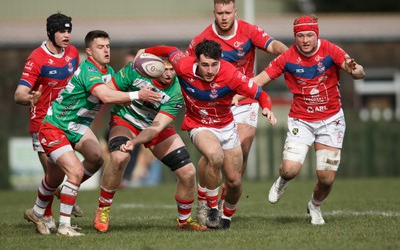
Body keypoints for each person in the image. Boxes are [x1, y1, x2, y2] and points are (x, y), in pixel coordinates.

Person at [23, 30, 159, 237]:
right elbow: (104, 95)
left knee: (95, 159)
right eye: (100, 47)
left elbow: (119, 91)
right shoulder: (89, 70)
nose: (106, 50)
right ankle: (64, 226)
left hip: (76, 127)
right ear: (89, 51)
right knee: (74, 172)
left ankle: (38, 210)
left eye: (108, 46)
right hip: (55, 127)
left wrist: (143, 81)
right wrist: (137, 94)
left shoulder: (109, 71)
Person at [134, 40, 277, 229]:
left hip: (227, 127)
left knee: (234, 182)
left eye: (214, 65)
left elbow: (261, 94)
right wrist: (145, 49)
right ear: (196, 62)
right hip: (199, 124)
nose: (209, 70)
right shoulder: (183, 64)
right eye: (205, 65)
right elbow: (169, 50)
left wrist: (267, 109)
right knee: (215, 156)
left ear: (220, 61)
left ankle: (226, 216)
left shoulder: (231, 75)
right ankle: (210, 207)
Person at [252, 15, 365, 225]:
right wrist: (233, 94)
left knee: (326, 178)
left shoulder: (331, 50)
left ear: (317, 35)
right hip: (301, 120)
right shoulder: (287, 57)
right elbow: (258, 81)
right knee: (290, 169)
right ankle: (282, 181)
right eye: (300, 35)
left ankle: (314, 206)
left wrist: (355, 69)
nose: (305, 40)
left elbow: (357, 71)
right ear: (295, 37)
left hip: (331, 120)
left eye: (310, 35)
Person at [186, 0, 288, 222]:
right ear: (214, 13)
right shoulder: (202, 39)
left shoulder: (249, 31)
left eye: (228, 13)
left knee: (243, 142)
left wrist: (289, 53)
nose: (224, 17)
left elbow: (273, 45)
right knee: (214, 155)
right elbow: (185, 67)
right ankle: (205, 195)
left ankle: (228, 194)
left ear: (235, 12)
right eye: (220, 13)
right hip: (215, 101)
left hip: (243, 97)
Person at [93, 58, 207, 232]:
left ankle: (184, 221)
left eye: (172, 69)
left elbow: (157, 127)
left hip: (155, 126)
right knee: (118, 157)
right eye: (164, 69)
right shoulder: (134, 70)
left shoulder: (177, 89)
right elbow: (107, 92)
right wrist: (127, 97)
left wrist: (135, 142)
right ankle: (103, 209)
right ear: (153, 66)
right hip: (126, 120)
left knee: (188, 172)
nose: (169, 73)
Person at [14, 12, 83, 232]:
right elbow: (19, 94)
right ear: (51, 33)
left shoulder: (72, 53)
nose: (67, 35)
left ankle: (62, 195)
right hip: (42, 122)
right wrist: (29, 98)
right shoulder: (37, 58)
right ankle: (47, 216)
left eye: (69, 30)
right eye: (62, 31)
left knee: (93, 157)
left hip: (66, 119)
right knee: (53, 174)